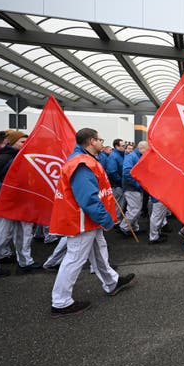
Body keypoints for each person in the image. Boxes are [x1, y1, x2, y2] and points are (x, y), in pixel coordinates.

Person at [49, 128, 134, 318]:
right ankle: (61, 302)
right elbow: (87, 198)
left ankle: (112, 282)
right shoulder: (81, 163)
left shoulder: (84, 160)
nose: (102, 142)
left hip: (87, 220)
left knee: (99, 250)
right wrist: (106, 219)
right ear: (91, 141)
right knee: (74, 259)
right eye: (100, 139)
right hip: (81, 220)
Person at [0, 130, 41, 277]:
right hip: (3, 203)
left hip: (23, 203)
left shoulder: (26, 158)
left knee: (24, 234)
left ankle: (26, 263)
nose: (26, 145)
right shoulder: (3, 158)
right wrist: (5, 188)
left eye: (27, 142)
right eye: (22, 142)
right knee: (1, 236)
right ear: (11, 142)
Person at [119, 141, 148, 235]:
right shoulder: (132, 157)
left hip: (135, 187)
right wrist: (138, 184)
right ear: (142, 149)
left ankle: (134, 227)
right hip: (132, 187)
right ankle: (124, 227)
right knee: (134, 209)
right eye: (147, 150)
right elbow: (127, 173)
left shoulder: (136, 156)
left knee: (136, 208)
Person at [106, 138, 126, 222]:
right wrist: (121, 182)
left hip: (120, 184)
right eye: (123, 146)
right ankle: (116, 221)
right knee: (118, 205)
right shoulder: (114, 156)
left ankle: (118, 220)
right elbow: (112, 172)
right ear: (116, 146)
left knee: (121, 204)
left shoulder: (121, 155)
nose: (124, 147)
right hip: (117, 185)